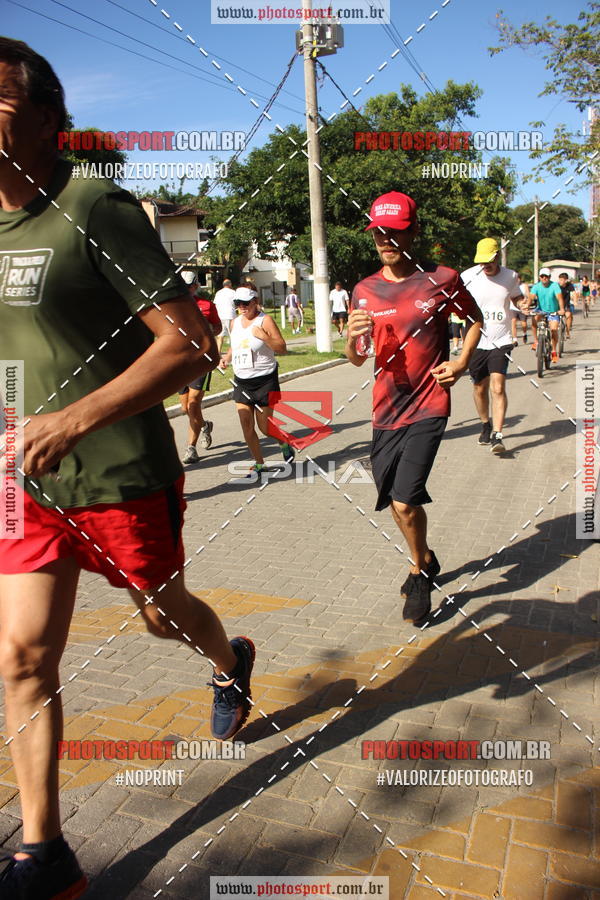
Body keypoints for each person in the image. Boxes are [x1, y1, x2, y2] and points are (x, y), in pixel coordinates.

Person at [0, 39, 255, 900]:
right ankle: (44, 849)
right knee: (24, 656)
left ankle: (229, 659)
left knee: (161, 616)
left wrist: (73, 417)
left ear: (48, 120)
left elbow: (190, 347)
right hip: (19, 483)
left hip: (116, 473)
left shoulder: (92, 206)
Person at [346, 191, 482, 625]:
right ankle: (426, 556)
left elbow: (475, 319)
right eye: (379, 233)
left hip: (429, 403)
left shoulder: (441, 279)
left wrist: (460, 362)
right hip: (385, 409)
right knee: (392, 499)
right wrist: (351, 337)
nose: (386, 239)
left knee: (405, 500)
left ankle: (418, 572)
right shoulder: (364, 289)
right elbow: (356, 357)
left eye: (396, 231)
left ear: (413, 231)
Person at [221, 287, 295, 475]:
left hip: (264, 380)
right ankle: (259, 464)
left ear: (255, 301)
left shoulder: (265, 320)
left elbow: (282, 348)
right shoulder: (234, 323)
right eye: (238, 304)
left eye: (246, 303)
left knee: (265, 427)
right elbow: (235, 346)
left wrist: (264, 336)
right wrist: (227, 359)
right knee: (246, 424)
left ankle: (283, 441)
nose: (242, 307)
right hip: (242, 380)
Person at [461, 238, 523, 454]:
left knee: (498, 386)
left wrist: (522, 303)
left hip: (501, 340)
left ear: (497, 256)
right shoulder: (468, 276)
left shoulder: (511, 276)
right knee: (479, 388)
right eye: (481, 262)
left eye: (488, 261)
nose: (485, 266)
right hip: (476, 339)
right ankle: (485, 424)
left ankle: (498, 434)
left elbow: (516, 297)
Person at [178, 273, 221, 463]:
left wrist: (205, 330)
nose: (186, 290)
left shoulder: (206, 305)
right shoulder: (173, 306)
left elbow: (218, 328)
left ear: (195, 286)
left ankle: (191, 449)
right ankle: (204, 425)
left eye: (189, 286)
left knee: (193, 404)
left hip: (201, 360)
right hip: (181, 361)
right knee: (185, 408)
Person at [529, 268, 565, 362]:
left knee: (553, 329)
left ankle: (553, 350)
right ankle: (536, 341)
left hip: (553, 311)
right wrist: (527, 306)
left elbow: (560, 298)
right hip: (541, 310)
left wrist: (561, 309)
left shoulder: (555, 286)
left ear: (549, 277)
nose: (544, 278)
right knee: (534, 319)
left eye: (546, 276)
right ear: (540, 277)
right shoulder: (536, 286)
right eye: (542, 276)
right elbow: (531, 297)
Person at [213, 278, 236, 352]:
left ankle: (218, 352)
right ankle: (233, 352)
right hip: (230, 315)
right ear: (230, 285)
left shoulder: (218, 293)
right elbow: (236, 304)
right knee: (232, 336)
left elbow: (215, 304)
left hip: (220, 316)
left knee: (220, 336)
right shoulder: (233, 292)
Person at [510, 275, 530, 344]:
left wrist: (525, 300)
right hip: (513, 307)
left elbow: (528, 295)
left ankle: (524, 333)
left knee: (523, 323)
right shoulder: (511, 285)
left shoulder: (524, 286)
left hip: (522, 307)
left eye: (518, 279)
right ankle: (515, 339)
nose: (517, 280)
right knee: (513, 322)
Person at [557, 272, 575, 338]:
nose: (560, 281)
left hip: (566, 304)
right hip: (557, 305)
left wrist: (575, 301)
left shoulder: (570, 285)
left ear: (566, 280)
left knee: (569, 315)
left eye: (562, 280)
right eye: (559, 279)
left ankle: (567, 331)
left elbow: (574, 293)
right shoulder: (556, 286)